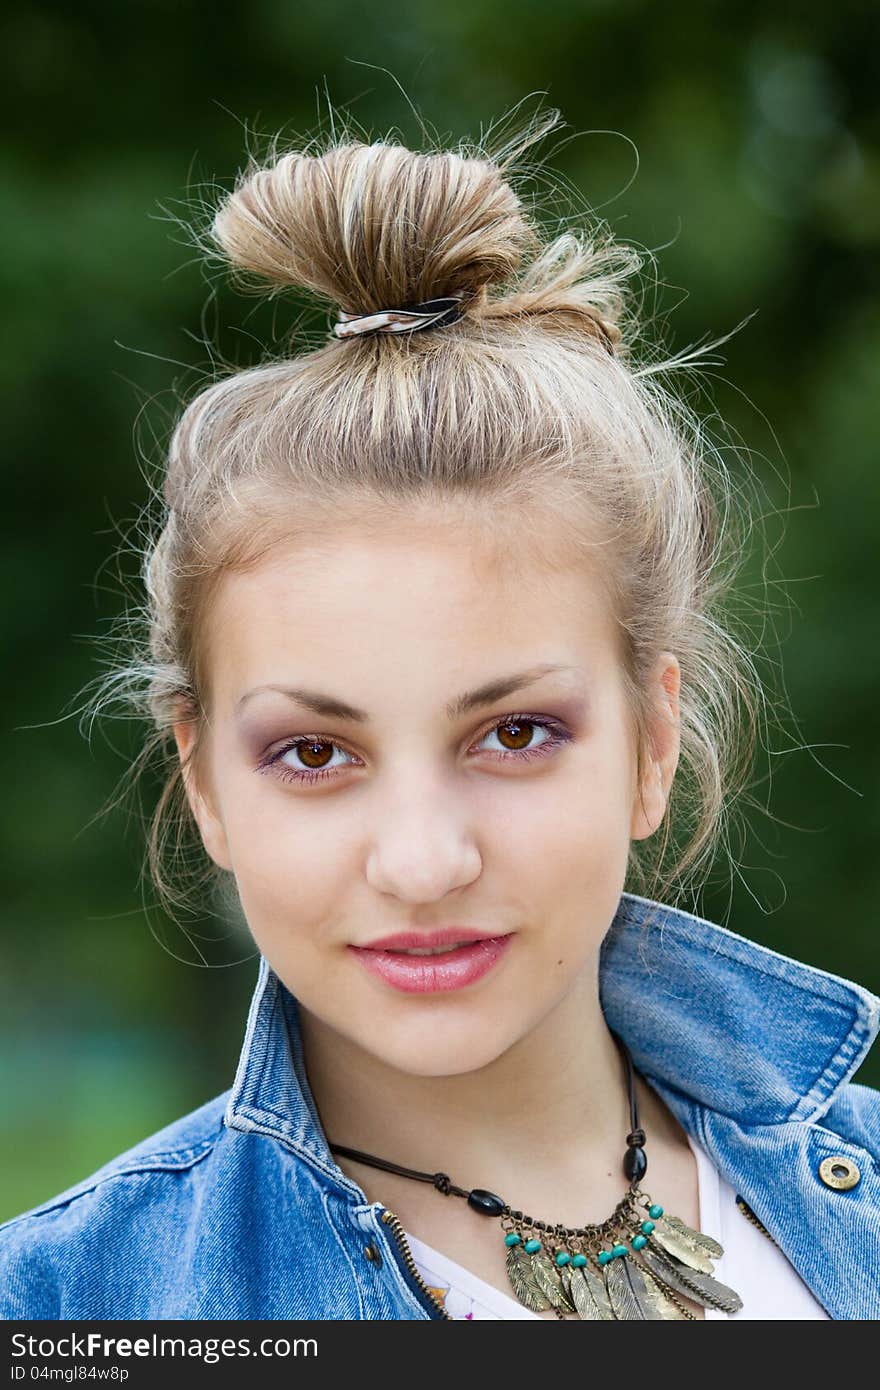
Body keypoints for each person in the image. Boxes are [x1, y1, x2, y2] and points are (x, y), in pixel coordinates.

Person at [2, 108, 878, 1322]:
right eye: (313, 752)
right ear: (203, 784)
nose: (423, 861)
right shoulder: (60, 1308)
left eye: (514, 733)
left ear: (653, 741)